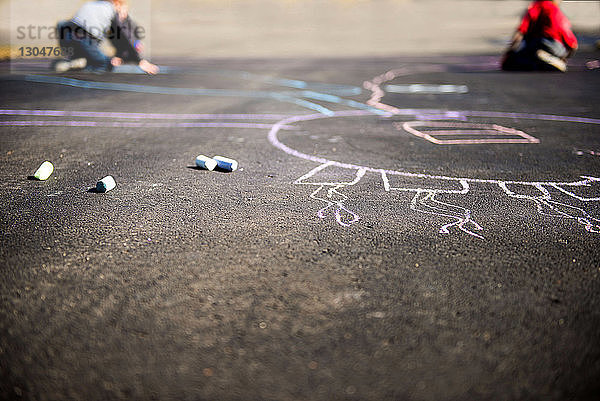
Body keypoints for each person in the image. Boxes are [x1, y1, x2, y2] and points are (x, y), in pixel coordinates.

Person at [54, 0, 158, 74]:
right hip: (83, 40)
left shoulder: (92, 4)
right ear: (117, 4)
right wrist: (139, 60)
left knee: (91, 46)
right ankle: (85, 66)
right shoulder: (111, 10)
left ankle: (75, 58)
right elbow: (124, 37)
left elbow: (62, 25)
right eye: (124, 10)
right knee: (103, 64)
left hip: (68, 37)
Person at [501, 0, 578, 72]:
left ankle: (535, 61)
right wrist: (564, 58)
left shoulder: (535, 6)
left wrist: (510, 51)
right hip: (555, 46)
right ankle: (554, 60)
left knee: (514, 60)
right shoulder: (557, 12)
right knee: (556, 55)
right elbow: (572, 44)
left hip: (535, 45)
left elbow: (521, 31)